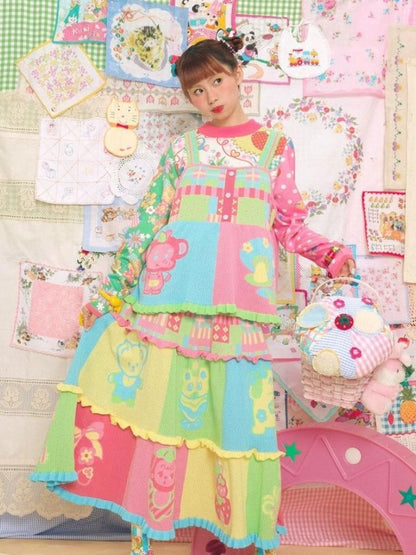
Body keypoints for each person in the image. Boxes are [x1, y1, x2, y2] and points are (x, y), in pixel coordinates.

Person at [31, 34, 355, 555]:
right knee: (153, 408)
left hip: (239, 304)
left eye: (217, 81)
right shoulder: (183, 149)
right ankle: (143, 529)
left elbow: (289, 226)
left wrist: (331, 254)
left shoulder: (274, 147)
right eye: (197, 91)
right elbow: (148, 223)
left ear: (238, 75)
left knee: (231, 418)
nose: (210, 97)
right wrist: (112, 291)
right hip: (169, 298)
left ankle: (234, 527)